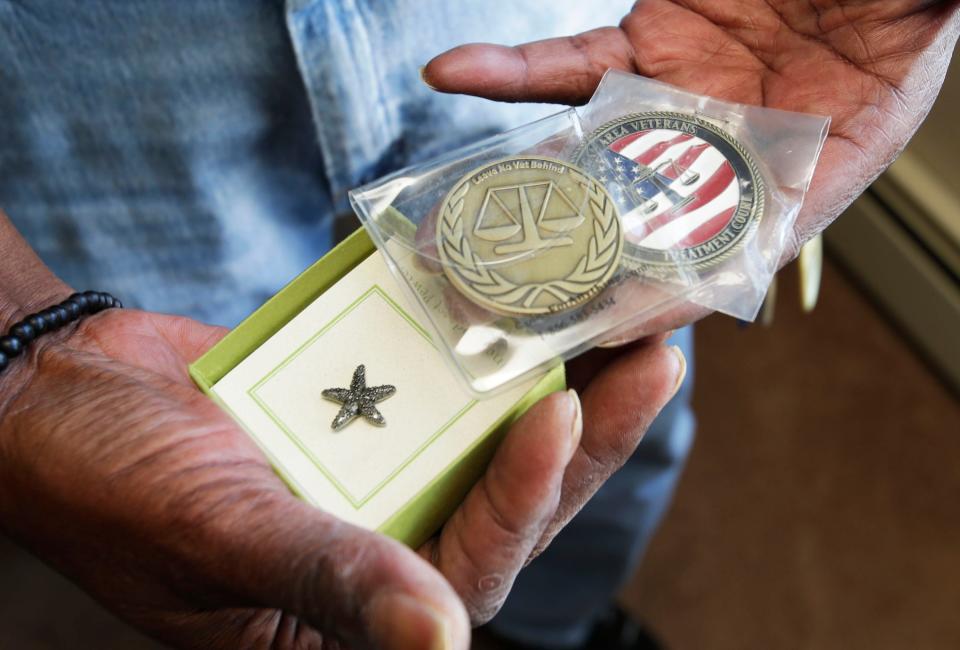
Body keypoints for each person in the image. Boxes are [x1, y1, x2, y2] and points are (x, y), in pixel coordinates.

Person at [0, 2, 955, 649]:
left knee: (605, 420)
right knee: (234, 472)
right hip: (92, 99)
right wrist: (17, 340)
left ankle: (554, 627)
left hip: (549, 29)